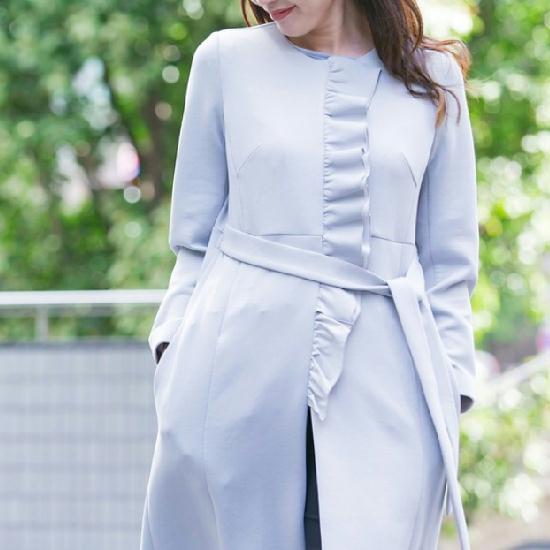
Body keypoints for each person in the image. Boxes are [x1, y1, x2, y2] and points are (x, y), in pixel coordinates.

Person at [139, 0, 479, 548]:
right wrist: (171, 351)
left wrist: (451, 389)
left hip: (392, 390)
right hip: (231, 379)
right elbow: (193, 243)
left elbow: (449, 265)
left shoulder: (433, 75)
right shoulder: (224, 61)